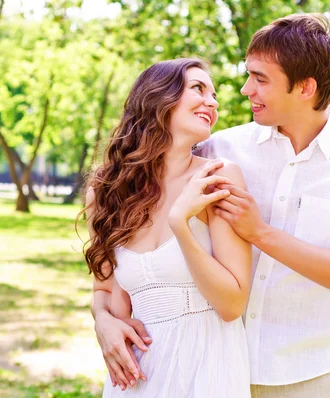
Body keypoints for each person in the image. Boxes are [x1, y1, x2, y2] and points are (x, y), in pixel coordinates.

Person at [194, 13, 330, 397]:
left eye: (260, 79)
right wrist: (105, 311)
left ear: (305, 88)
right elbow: (138, 212)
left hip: (307, 380)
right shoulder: (218, 149)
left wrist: (260, 233)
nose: (245, 90)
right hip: (211, 370)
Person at [79, 58, 252, 397]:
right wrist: (103, 322)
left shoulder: (217, 178)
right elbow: (104, 291)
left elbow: (232, 304)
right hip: (136, 373)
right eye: (199, 89)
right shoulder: (106, 191)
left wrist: (181, 224)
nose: (213, 102)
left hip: (206, 366)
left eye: (214, 95)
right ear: (159, 96)